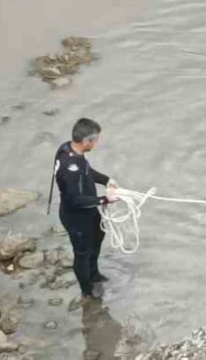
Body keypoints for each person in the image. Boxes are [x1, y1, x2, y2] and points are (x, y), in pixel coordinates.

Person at [54, 118, 119, 301]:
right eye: (95, 140)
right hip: (76, 216)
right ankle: (87, 291)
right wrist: (105, 199)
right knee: (82, 253)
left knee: (98, 238)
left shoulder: (67, 148)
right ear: (86, 141)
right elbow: (76, 200)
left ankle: (94, 274)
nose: (96, 143)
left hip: (89, 211)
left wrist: (106, 180)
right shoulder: (70, 169)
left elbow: (87, 170)